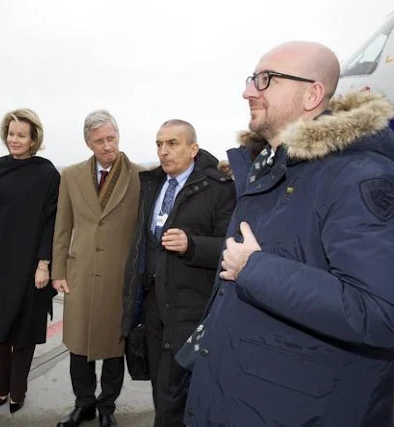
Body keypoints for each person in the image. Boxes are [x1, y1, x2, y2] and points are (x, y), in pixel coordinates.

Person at [181, 41, 394, 426]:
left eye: (266, 80)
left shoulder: (358, 176)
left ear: (312, 94)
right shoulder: (267, 171)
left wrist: (256, 269)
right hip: (242, 399)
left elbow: (380, 313)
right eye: (252, 79)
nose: (249, 90)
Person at [122, 120, 235, 426]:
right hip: (153, 307)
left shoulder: (218, 188)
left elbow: (232, 246)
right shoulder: (152, 184)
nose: (163, 151)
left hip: (189, 308)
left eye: (172, 143)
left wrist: (192, 245)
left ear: (193, 149)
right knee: (161, 387)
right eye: (159, 144)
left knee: (175, 392)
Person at [52, 110, 141, 427]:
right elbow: (62, 227)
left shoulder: (139, 176)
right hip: (81, 274)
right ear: (88, 143)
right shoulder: (71, 175)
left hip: (120, 277)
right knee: (78, 345)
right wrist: (58, 270)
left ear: (118, 135)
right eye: (99, 140)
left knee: (115, 347)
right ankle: (84, 404)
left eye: (111, 138)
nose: (107, 145)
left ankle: (107, 408)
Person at [0, 108, 60, 414]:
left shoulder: (47, 172)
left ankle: (17, 391)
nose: (14, 140)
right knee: (0, 327)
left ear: (33, 138)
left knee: (24, 328)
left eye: (21, 135)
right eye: (11, 134)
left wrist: (44, 262)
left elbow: (51, 220)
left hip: (30, 263)